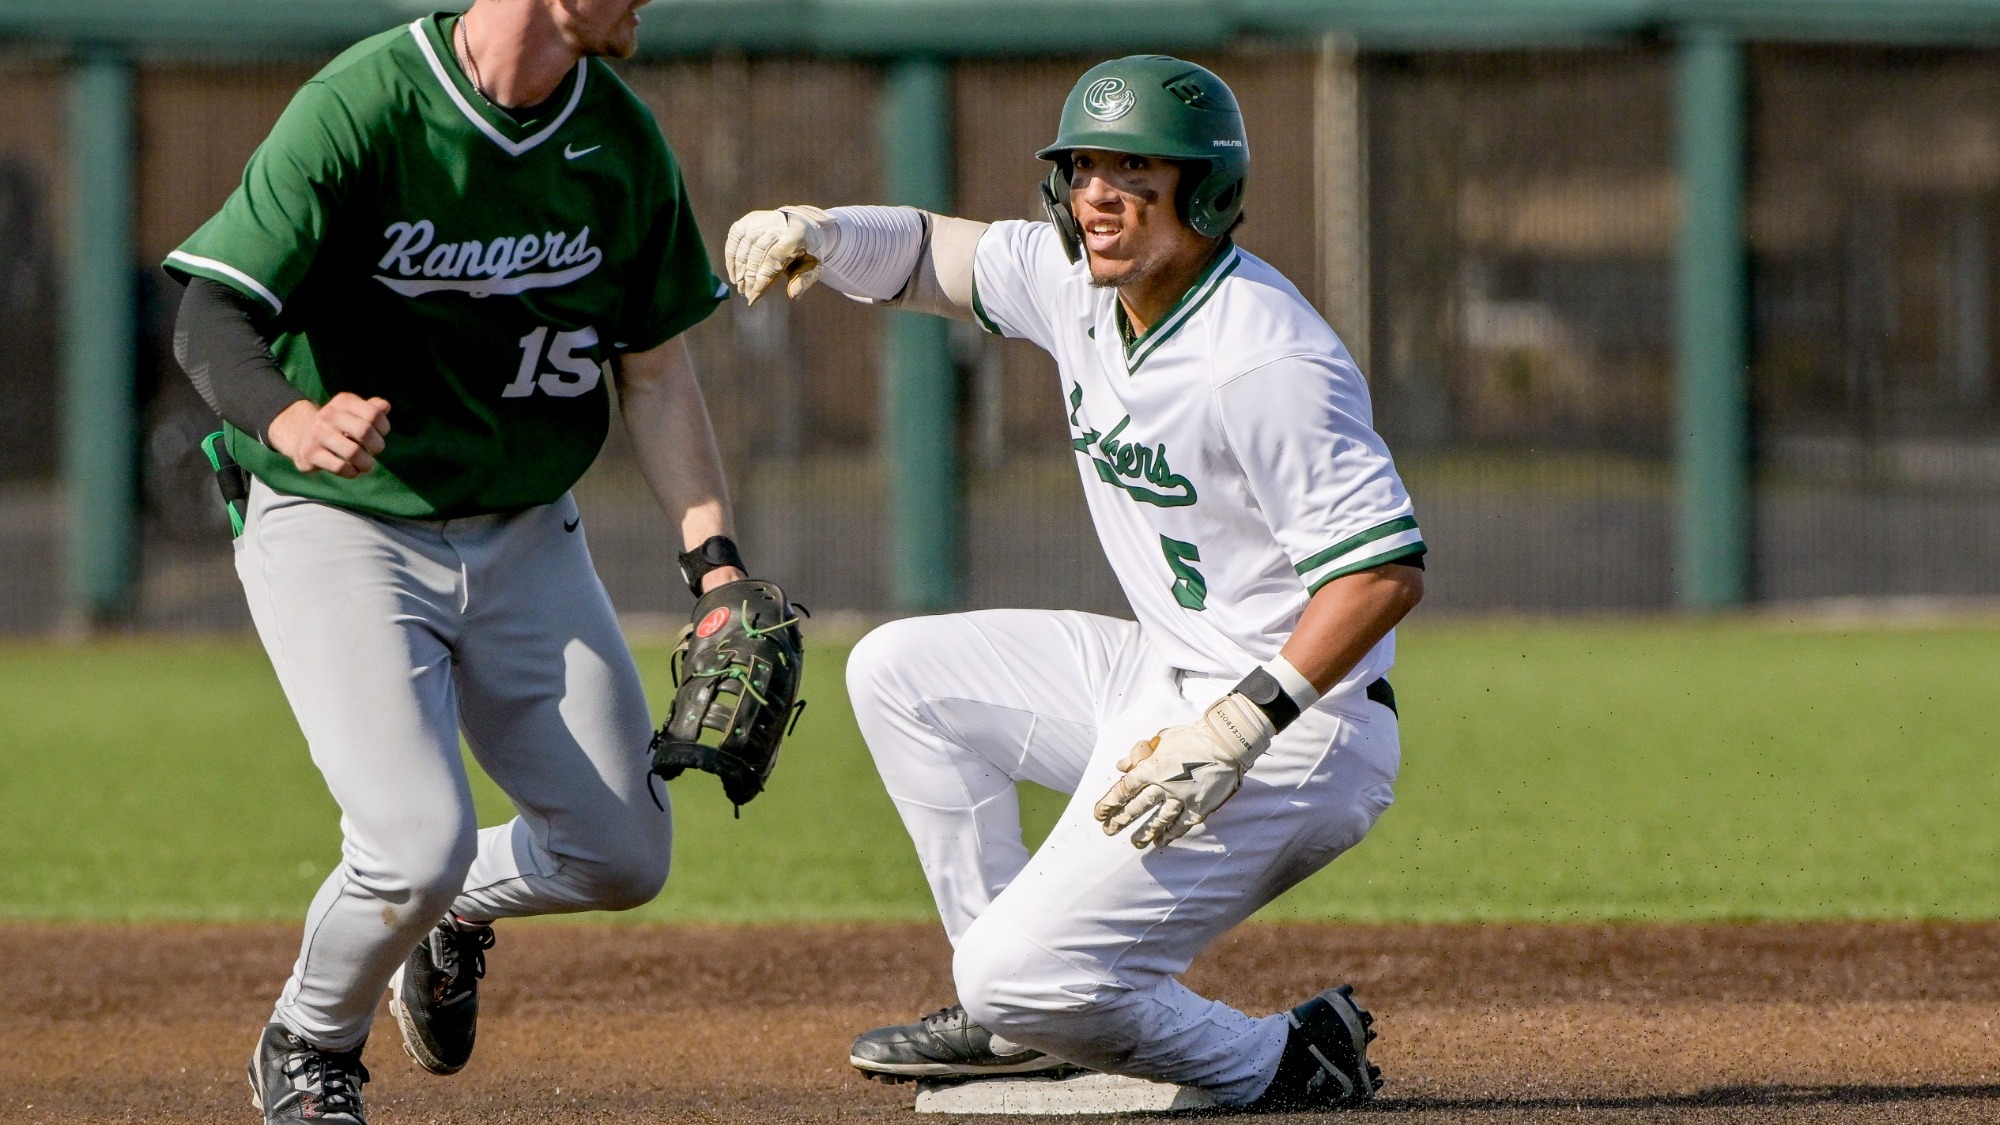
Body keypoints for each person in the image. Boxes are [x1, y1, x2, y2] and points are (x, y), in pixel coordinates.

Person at [725, 55, 1425, 1110]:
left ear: (1205, 191)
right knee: (898, 671)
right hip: (1160, 672)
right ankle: (1020, 1030)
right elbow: (925, 251)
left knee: (1014, 976)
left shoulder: (1265, 356)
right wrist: (819, 231)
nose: (1098, 195)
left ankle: (1281, 1057)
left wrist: (1239, 727)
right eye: (1083, 169)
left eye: (1134, 171)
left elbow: (1380, 573)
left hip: (1298, 731)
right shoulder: (1078, 287)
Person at [165, 1, 752, 1121]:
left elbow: (658, 376)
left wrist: (715, 563)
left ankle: (451, 911)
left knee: (622, 855)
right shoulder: (365, 105)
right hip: (340, 521)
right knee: (408, 842)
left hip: (527, 524)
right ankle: (310, 1041)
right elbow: (210, 319)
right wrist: (292, 423)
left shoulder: (618, 141)